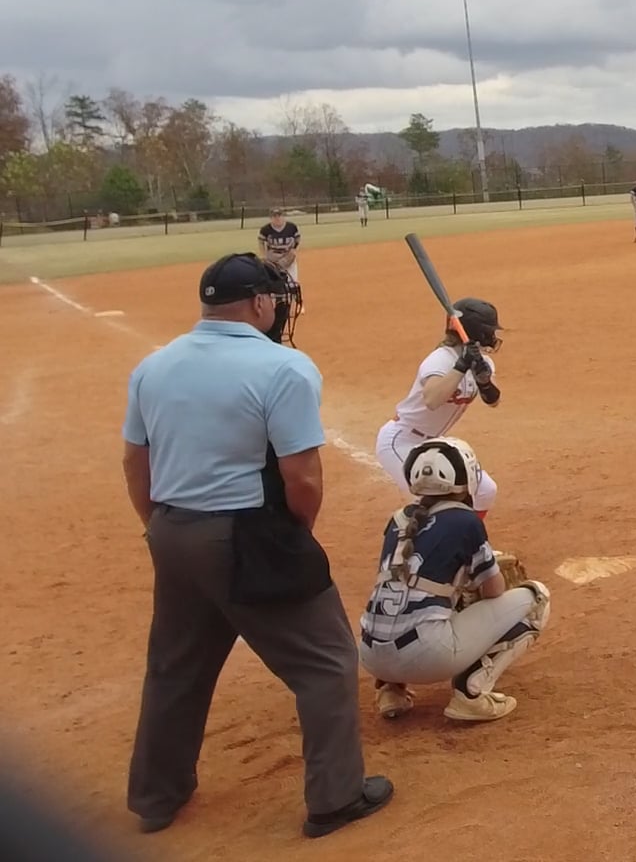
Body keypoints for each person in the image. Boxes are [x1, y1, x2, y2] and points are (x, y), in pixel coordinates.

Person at [122, 253, 392, 839]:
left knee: (175, 666)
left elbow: (135, 462)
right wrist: (293, 538)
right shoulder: (283, 367)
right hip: (248, 534)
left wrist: (158, 527)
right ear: (261, 303)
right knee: (326, 662)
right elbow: (303, 478)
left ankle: (156, 797)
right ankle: (335, 798)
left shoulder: (153, 366)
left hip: (171, 531)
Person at [360, 436, 551, 723]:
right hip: (426, 656)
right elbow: (494, 590)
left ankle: (390, 690)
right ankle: (471, 693)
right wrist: (476, 582)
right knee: (536, 597)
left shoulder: (398, 520)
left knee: (410, 600)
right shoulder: (465, 521)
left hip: (370, 655)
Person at [374, 298, 505, 518]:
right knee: (434, 498)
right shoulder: (440, 360)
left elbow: (493, 402)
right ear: (474, 331)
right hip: (402, 440)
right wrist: (461, 366)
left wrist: (485, 382)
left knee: (485, 490)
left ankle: (469, 536)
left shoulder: (482, 361)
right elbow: (432, 400)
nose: (492, 336)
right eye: (487, 331)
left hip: (434, 443)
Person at [257, 208, 301, 281]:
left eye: (279, 216)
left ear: (283, 216)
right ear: (270, 218)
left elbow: (297, 238)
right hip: (273, 259)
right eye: (274, 216)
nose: (277, 218)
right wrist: (263, 255)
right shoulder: (265, 229)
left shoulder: (292, 227)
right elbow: (261, 241)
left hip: (288, 257)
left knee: (292, 282)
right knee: (274, 282)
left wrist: (293, 249)